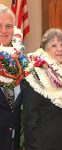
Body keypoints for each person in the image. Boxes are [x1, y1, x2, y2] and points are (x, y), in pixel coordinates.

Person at [23, 28, 62, 150]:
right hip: (44, 144)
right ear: (45, 50)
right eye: (54, 45)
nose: (59, 49)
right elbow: (30, 118)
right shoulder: (35, 74)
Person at [0, 4, 26, 150]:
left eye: (9, 26)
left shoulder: (21, 60)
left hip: (14, 141)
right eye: (0, 25)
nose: (4, 31)